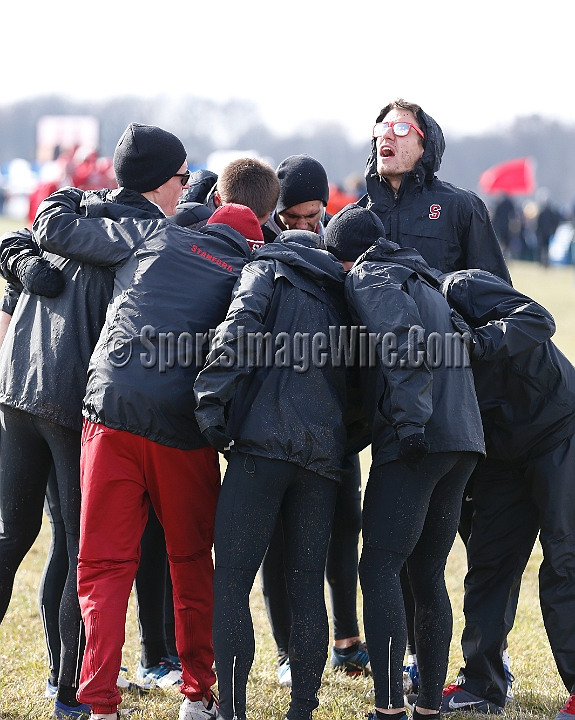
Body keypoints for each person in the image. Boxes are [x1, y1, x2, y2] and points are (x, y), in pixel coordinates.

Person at [32, 124, 258, 720]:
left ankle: (97, 699)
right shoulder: (248, 271)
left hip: (108, 407)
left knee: (102, 564)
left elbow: (55, 229)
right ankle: (197, 695)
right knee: (189, 561)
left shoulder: (147, 237)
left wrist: (77, 196)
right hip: (179, 424)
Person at [194, 228, 365, 720]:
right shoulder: (345, 291)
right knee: (307, 583)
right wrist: (343, 438)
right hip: (323, 457)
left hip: (260, 448)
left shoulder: (266, 267)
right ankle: (302, 711)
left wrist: (210, 401)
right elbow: (365, 378)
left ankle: (231, 710)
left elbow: (238, 328)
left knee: (230, 581)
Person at [324, 203, 484, 720]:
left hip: (417, 439)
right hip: (463, 437)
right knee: (428, 573)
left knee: (379, 567)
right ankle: (429, 708)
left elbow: (401, 341)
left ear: (345, 257)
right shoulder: (427, 276)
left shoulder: (370, 275)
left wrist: (410, 422)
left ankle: (390, 707)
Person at [436, 269, 575, 720]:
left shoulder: (460, 287)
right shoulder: (400, 334)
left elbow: (538, 319)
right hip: (500, 454)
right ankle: (482, 683)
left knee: (565, 561)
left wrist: (476, 342)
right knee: (488, 563)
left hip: (558, 428)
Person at [256, 154, 368, 685]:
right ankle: (285, 650)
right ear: (275, 215)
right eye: (292, 218)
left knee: (345, 524)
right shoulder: (259, 259)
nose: (303, 227)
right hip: (272, 425)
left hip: (334, 424)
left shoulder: (339, 257)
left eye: (313, 217)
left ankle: (348, 638)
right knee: (280, 538)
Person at [358, 98, 510, 282]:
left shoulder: (461, 207)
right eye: (382, 128)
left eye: (401, 128)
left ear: (425, 146)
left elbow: (494, 292)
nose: (387, 135)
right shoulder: (357, 216)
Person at [262, 154, 331, 242]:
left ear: (323, 207)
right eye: (292, 216)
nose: (302, 226)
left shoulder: (337, 234)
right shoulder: (255, 237)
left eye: (311, 215)